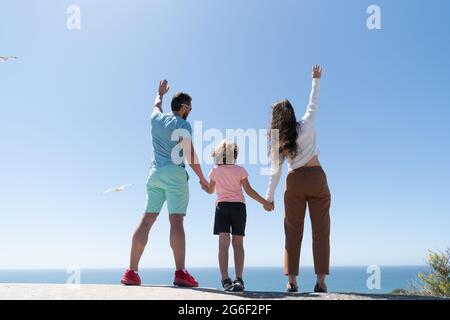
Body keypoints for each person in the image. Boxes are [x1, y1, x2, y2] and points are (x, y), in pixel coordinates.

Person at [120, 80, 209, 287]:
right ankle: (180, 273)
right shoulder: (182, 124)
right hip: (175, 175)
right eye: (190, 108)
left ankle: (131, 272)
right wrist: (202, 179)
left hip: (155, 175)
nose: (190, 112)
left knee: (146, 221)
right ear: (184, 107)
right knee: (176, 222)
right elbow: (190, 154)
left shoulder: (156, 119)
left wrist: (159, 93)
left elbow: (157, 105)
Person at [266, 65, 331, 293]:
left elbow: (275, 171)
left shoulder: (279, 139)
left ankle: (292, 281)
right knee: (321, 231)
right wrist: (316, 79)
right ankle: (321, 282)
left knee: (293, 232)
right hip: (316, 177)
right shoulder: (307, 124)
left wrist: (269, 197)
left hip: (294, 181)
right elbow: (313, 103)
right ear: (292, 113)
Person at [204, 139, 274, 292]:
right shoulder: (240, 170)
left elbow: (210, 191)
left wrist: (204, 187)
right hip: (238, 208)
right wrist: (265, 203)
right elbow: (249, 191)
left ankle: (225, 279)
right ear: (234, 154)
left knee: (223, 245)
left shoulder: (215, 170)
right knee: (238, 244)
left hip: (222, 208)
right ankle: (239, 279)